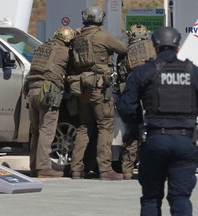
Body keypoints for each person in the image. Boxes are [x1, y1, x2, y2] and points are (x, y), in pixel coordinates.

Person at [117, 26, 198, 215]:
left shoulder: (143, 72)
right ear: (177, 47)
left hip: (155, 140)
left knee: (151, 198)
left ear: (154, 47)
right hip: (185, 142)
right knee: (180, 197)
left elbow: (125, 107)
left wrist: (139, 123)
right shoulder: (193, 72)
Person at [70, 4, 127, 180]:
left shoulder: (77, 37)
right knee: (105, 126)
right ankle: (105, 170)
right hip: (100, 87)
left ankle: (76, 170)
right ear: (100, 19)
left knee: (84, 127)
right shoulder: (102, 36)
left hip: (81, 87)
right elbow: (123, 49)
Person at [24, 26, 75, 178]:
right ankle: (44, 167)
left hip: (32, 90)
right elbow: (72, 70)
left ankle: (34, 166)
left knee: (35, 131)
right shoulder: (65, 51)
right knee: (47, 130)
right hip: (48, 93)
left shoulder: (41, 48)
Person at [116, 24, 156, 180]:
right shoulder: (154, 48)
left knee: (133, 130)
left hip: (132, 90)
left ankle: (127, 169)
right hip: (153, 92)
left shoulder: (126, 51)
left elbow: (121, 74)